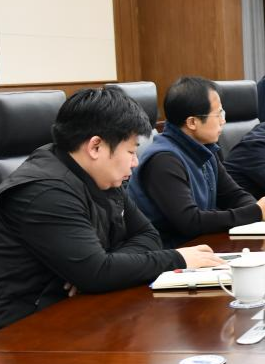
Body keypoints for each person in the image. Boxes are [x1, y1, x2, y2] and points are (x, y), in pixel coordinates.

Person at [0, 87, 222, 328]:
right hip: (23, 327)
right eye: (131, 151)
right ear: (96, 147)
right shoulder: (46, 191)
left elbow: (148, 235)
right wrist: (177, 259)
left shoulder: (101, 174)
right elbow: (96, 273)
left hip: (76, 310)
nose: (135, 162)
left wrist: (101, 268)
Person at [128, 76, 265, 248]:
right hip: (171, 252)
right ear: (192, 122)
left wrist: (262, 209)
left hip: (201, 245)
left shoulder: (204, 148)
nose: (223, 121)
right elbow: (190, 222)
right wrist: (257, 212)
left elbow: (233, 195)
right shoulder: (164, 160)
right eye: (218, 114)